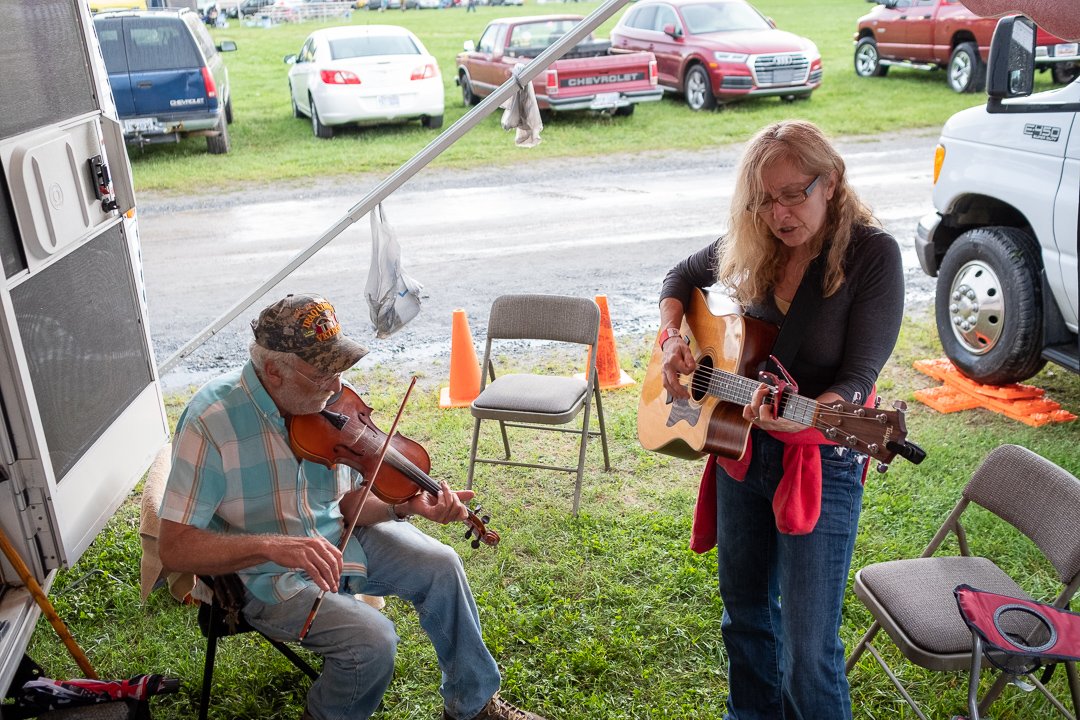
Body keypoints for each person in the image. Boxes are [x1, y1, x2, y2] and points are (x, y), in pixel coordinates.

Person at [157, 294, 547, 720]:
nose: (337, 386)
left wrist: (409, 507)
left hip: (338, 540)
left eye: (340, 369)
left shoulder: (325, 407)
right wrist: (275, 546)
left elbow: (347, 503)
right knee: (372, 641)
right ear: (273, 370)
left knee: (442, 564)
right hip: (263, 577)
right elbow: (175, 547)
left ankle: (473, 706)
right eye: (322, 373)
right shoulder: (211, 420)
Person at [657, 120, 904, 720]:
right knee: (744, 616)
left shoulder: (872, 255)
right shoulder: (755, 241)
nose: (779, 213)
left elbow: (857, 381)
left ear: (833, 181)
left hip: (819, 457)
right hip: (743, 452)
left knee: (807, 648)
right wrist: (670, 341)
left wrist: (811, 416)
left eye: (795, 193)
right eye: (765, 199)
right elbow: (680, 277)